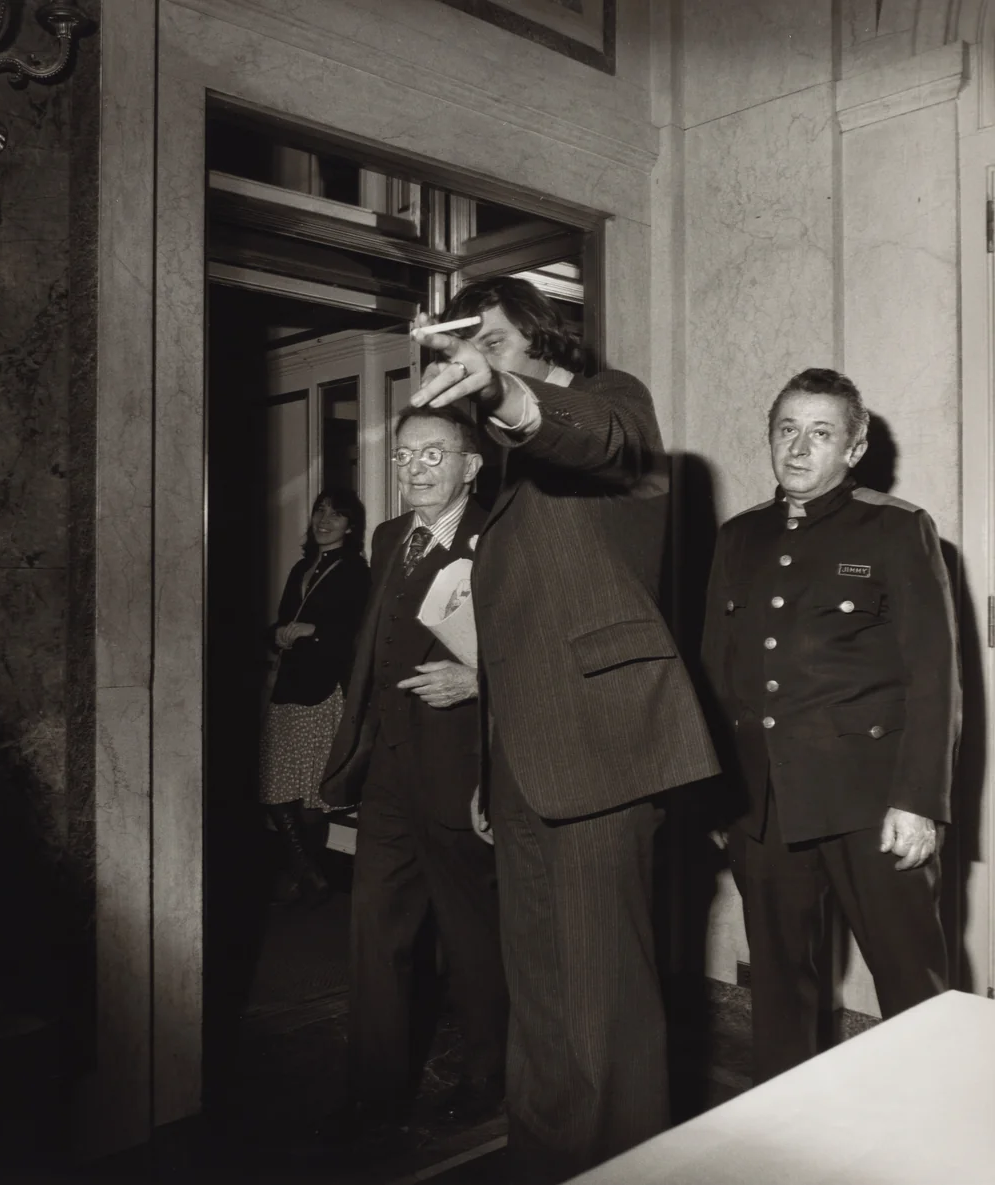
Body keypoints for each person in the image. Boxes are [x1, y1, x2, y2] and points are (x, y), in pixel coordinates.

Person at [410, 277, 719, 1182]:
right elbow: (517, 640)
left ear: (548, 344)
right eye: (473, 350)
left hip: (604, 757)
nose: (480, 362)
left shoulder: (612, 405)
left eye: (497, 342)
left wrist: (506, 390)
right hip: (527, 761)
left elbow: (596, 434)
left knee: (606, 1009)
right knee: (543, 1004)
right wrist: (490, 761)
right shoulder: (502, 485)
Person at [700, 368, 959, 1083]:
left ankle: (934, 1121)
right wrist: (720, 791)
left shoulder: (895, 527)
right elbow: (716, 673)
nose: (798, 447)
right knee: (779, 988)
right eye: (787, 429)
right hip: (764, 803)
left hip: (870, 801)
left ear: (855, 445)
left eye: (821, 432)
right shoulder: (740, 536)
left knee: (911, 982)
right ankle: (789, 1127)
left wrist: (919, 802)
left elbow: (934, 676)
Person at [320, 404, 508, 1136]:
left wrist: (480, 679)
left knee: (471, 936)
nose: (415, 468)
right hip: (388, 769)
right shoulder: (389, 535)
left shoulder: (501, 536)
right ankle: (373, 1093)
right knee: (375, 932)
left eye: (434, 454)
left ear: (470, 465)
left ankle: (488, 1078)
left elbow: (544, 652)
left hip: (462, 769)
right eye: (404, 455)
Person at [260, 489, 370, 906]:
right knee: (273, 786)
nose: (324, 520)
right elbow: (280, 623)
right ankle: (307, 869)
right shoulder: (301, 567)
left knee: (311, 796)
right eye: (320, 511)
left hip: (323, 691)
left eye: (336, 515)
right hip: (287, 688)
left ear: (350, 526)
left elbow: (355, 636)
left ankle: (311, 875)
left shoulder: (356, 571)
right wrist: (278, 633)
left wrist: (313, 632)